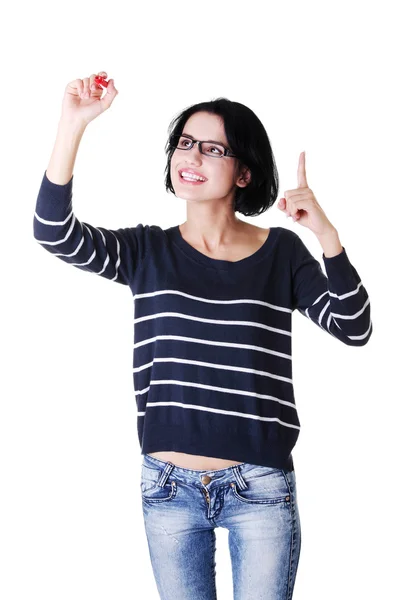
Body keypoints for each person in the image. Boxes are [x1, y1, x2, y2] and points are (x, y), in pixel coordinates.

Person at [33, 71, 373, 600]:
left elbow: (354, 327)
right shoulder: (146, 251)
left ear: (243, 173)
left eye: (213, 149)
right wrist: (72, 124)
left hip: (259, 486)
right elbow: (53, 231)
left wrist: (327, 236)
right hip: (167, 485)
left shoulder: (280, 253)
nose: (191, 157)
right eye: (185, 144)